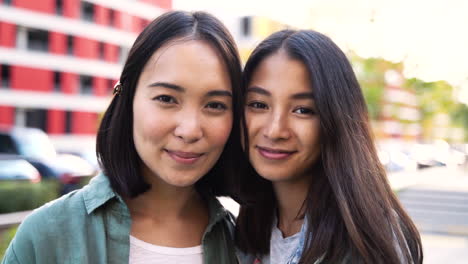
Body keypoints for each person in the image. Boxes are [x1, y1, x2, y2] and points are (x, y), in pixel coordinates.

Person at [2, 11, 242, 264]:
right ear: (127, 100)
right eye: (166, 99)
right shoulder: (46, 237)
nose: (190, 130)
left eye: (215, 105)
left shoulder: (244, 247)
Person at [235, 29, 423, 264]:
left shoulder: (365, 245)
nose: (275, 130)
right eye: (259, 104)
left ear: (335, 120)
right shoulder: (246, 228)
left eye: (303, 110)